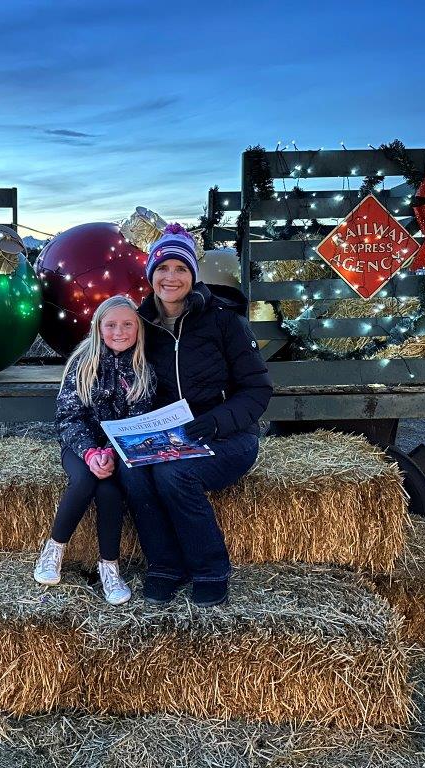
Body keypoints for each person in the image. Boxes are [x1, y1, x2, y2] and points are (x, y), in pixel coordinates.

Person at [120, 223, 272, 607]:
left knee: (175, 474)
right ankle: (165, 566)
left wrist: (217, 420)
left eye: (181, 268)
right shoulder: (141, 325)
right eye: (163, 268)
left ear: (193, 274)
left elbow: (257, 390)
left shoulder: (224, 321)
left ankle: (210, 568)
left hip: (227, 435)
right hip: (171, 434)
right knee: (133, 472)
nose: (171, 277)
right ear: (151, 273)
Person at [33, 294, 156, 605]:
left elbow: (138, 420)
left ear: (138, 329)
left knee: (110, 490)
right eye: (111, 324)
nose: (119, 331)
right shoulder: (82, 362)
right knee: (86, 480)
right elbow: (68, 416)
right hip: (79, 444)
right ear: (98, 327)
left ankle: (109, 567)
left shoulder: (144, 368)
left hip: (117, 449)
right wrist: (90, 452)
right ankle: (55, 549)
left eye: (128, 324)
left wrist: (111, 453)